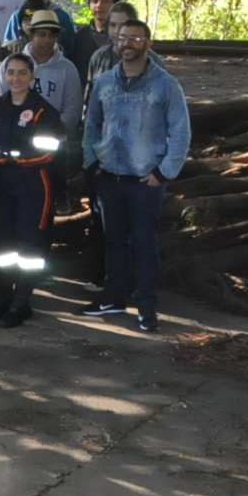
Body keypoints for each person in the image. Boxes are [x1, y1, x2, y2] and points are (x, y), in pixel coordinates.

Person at [82, 20, 189, 334]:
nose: (127, 43)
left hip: (145, 181)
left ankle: (146, 308)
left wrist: (163, 172)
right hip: (109, 178)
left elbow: (181, 133)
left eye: (135, 38)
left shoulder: (166, 85)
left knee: (144, 244)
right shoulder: (104, 83)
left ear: (148, 43)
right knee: (113, 241)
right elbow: (91, 126)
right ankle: (113, 298)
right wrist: (92, 163)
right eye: (123, 37)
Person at [0, 52, 65, 329]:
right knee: (3, 245)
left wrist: (8, 158)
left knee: (30, 247)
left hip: (33, 186)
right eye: (10, 73)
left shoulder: (44, 111)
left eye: (21, 73)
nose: (15, 78)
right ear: (4, 76)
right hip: (1, 186)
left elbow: (47, 154)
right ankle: (2, 299)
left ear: (32, 76)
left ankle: (21, 304)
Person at [67, 0, 121, 75]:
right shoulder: (81, 35)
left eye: (105, 1)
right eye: (95, 1)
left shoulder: (121, 35)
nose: (99, 5)